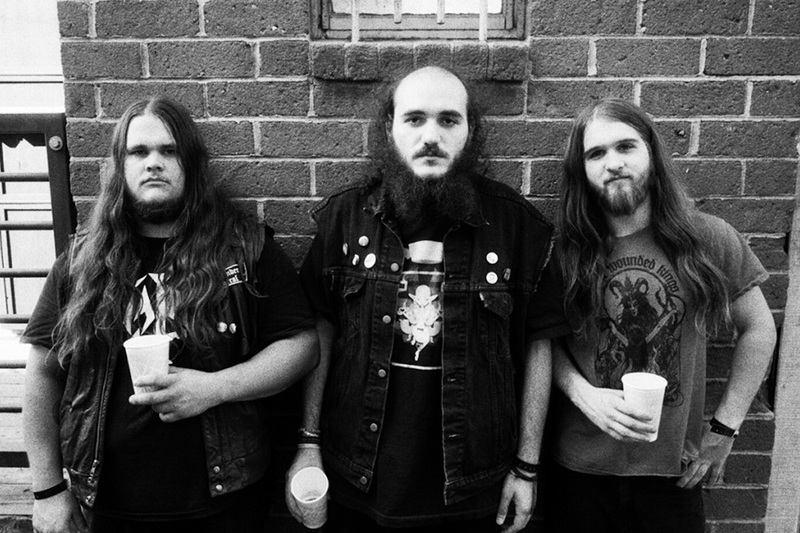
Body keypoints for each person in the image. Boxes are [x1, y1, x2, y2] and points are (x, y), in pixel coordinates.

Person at [284, 65, 569, 533]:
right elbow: (321, 330)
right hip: (357, 475)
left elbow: (539, 346)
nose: (431, 136)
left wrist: (526, 468)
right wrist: (308, 443)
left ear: (471, 132)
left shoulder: (517, 227)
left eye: (448, 120)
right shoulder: (345, 218)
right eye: (414, 119)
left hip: (473, 485)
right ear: (389, 128)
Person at [22, 97, 319, 533]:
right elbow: (43, 372)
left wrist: (215, 388)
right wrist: (48, 490)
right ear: (120, 166)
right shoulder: (83, 260)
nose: (153, 163)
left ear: (191, 162)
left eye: (169, 150)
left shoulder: (244, 248)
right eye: (138, 152)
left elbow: (301, 345)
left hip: (226, 502)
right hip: (109, 505)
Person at [542, 98, 777, 532]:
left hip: (673, 475)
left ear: (651, 153)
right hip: (578, 472)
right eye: (596, 154)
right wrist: (583, 394)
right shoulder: (566, 250)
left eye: (625, 146)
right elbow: (543, 341)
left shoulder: (707, 238)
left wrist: (725, 428)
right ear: (582, 170)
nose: (613, 163)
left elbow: (759, 329)